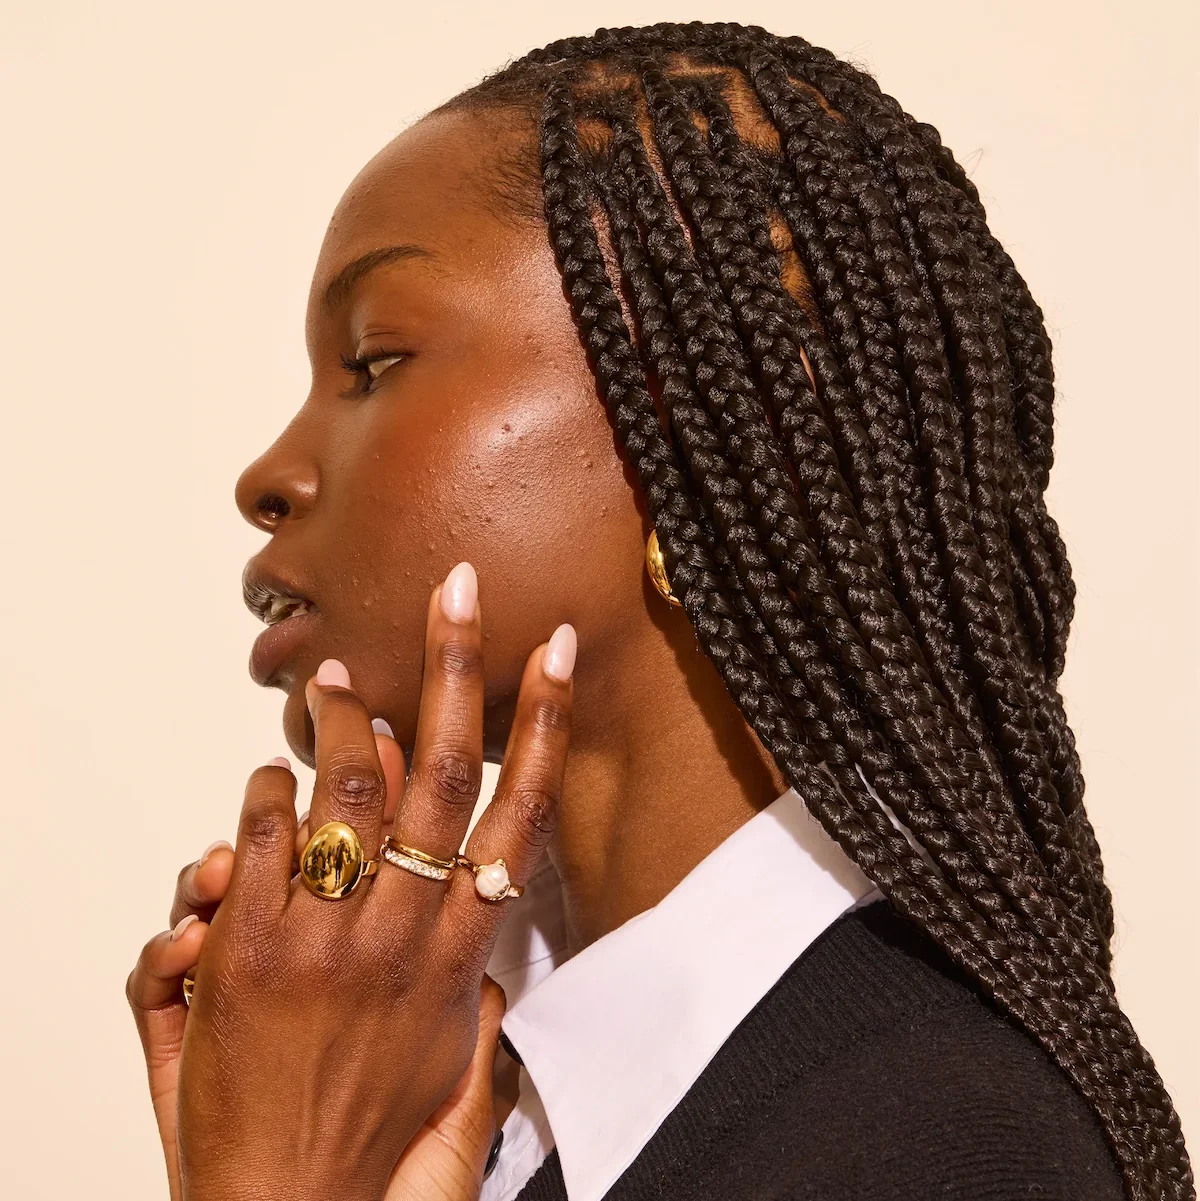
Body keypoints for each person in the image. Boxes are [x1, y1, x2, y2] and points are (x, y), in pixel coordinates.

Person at [125, 20, 1193, 1201]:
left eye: (375, 361)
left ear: (734, 437)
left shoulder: (948, 1152)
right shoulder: (460, 1099)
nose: (268, 474)